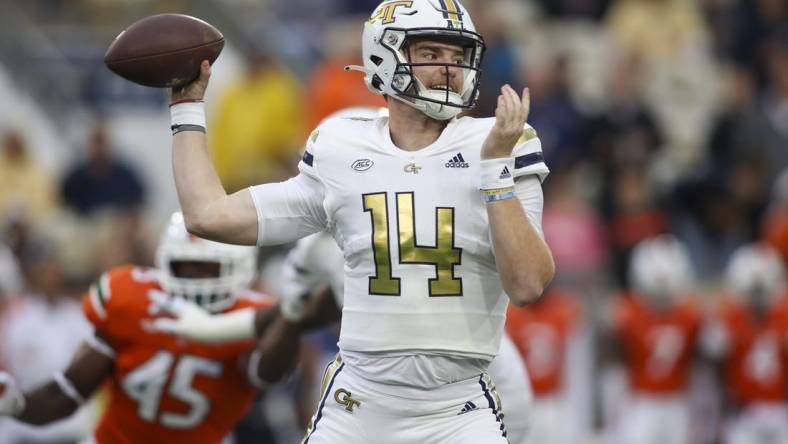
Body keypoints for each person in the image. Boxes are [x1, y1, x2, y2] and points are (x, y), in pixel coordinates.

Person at [165, 0, 554, 441]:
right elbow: (209, 216)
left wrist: (495, 171)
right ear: (382, 57)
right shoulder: (342, 145)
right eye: (430, 55)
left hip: (457, 408)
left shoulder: (501, 141)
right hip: (359, 405)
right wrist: (188, 107)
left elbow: (527, 285)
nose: (449, 69)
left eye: (458, 57)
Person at [0, 212, 322, 443]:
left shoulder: (252, 315)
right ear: (164, 261)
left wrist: (288, 316)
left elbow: (270, 374)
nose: (194, 279)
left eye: (207, 268)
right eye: (185, 266)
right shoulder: (131, 299)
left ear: (239, 268)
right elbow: (67, 393)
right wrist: (18, 404)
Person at [606, 235, 701, 444]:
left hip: (678, 400)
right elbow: (612, 359)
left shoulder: (690, 315)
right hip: (640, 400)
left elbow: (703, 360)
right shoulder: (628, 312)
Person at [704, 244, 788, 444]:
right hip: (744, 410)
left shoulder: (783, 315)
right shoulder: (729, 317)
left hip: (781, 408)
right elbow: (712, 351)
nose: (757, 299)